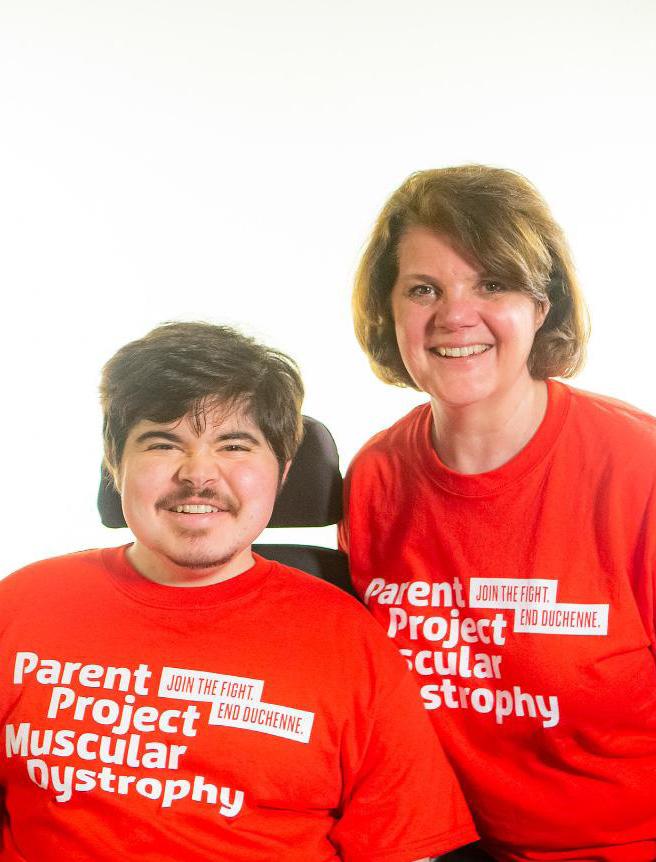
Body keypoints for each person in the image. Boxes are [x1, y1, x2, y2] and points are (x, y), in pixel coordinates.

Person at [0, 322, 477, 861]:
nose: (198, 474)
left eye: (234, 445)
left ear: (283, 470)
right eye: (163, 443)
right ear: (115, 463)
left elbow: (403, 848)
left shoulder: (348, 640)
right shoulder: (20, 607)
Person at [340, 166, 656, 862]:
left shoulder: (638, 469)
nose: (455, 315)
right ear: (389, 312)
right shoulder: (375, 479)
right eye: (423, 289)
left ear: (542, 305)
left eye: (492, 284)